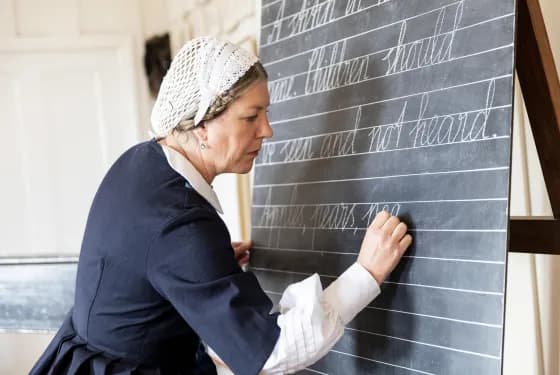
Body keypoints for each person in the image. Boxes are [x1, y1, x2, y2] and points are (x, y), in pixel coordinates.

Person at [30, 37, 412, 375]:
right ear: (201, 127)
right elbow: (271, 353)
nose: (267, 131)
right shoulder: (180, 226)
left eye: (266, 114)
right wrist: (365, 275)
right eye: (251, 117)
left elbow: (140, 260)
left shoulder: (141, 162)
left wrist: (198, 272)